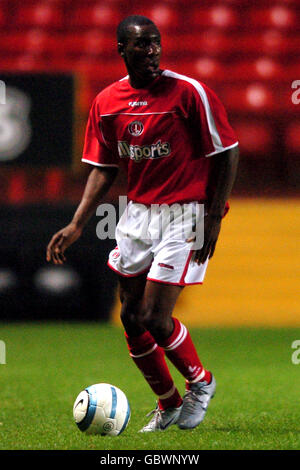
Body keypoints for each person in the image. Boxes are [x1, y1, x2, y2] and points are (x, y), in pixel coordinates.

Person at [46, 15, 239, 432]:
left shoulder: (190, 93)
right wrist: (78, 223)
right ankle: (168, 402)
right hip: (137, 215)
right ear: (122, 50)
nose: (151, 51)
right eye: (141, 44)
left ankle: (201, 382)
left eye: (155, 43)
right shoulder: (107, 102)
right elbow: (102, 168)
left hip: (185, 213)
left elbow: (227, 152)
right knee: (132, 317)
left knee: (155, 316)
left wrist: (213, 216)